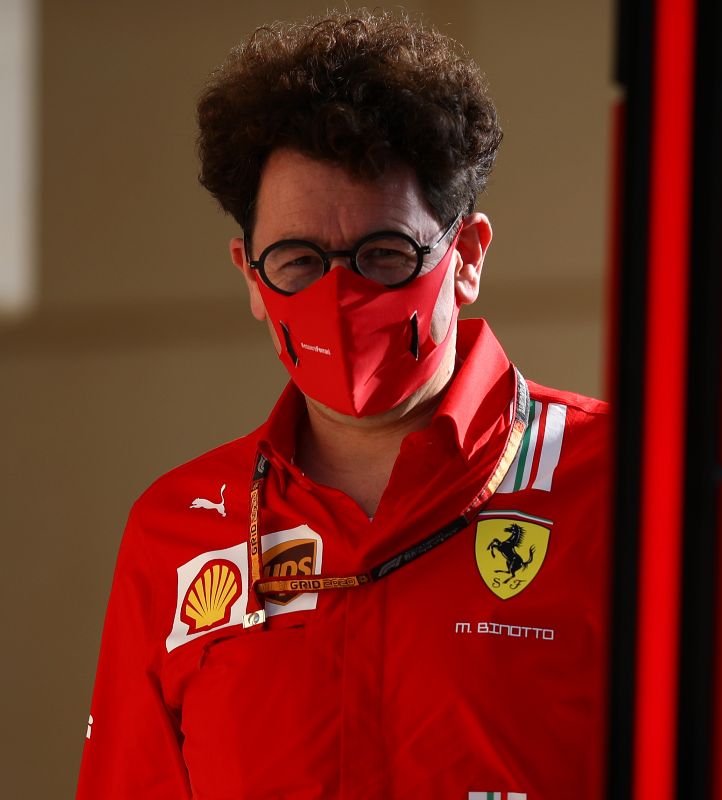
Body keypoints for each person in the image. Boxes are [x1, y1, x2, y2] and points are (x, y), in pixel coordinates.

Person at [77, 10, 611, 798]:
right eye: (297, 260)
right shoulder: (176, 530)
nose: (340, 295)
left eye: (384, 255)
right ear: (251, 278)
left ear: (465, 257)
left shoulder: (623, 486)